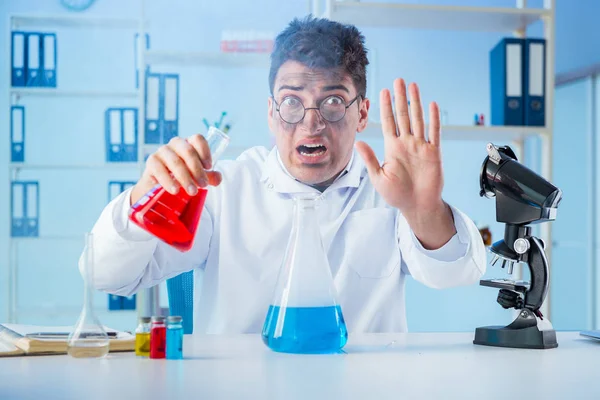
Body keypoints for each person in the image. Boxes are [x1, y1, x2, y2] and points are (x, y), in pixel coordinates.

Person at [85, 16, 486, 334]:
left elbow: (457, 272)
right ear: (271, 111)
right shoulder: (225, 188)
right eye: (292, 102)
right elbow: (109, 275)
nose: (311, 125)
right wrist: (144, 196)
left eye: (332, 102)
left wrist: (424, 209)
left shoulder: (391, 190)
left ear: (362, 113)